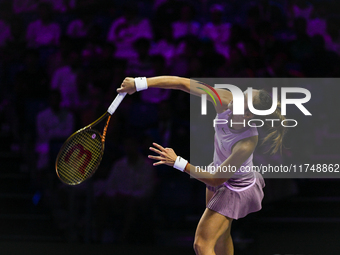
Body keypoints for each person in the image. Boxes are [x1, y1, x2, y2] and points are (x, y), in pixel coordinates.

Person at [117, 76, 286, 255]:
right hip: (218, 172)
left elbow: (215, 180)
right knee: (221, 237)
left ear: (247, 114)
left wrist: (178, 162)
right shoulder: (223, 99)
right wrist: (140, 83)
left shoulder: (246, 142)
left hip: (236, 188)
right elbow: (181, 83)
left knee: (202, 244)